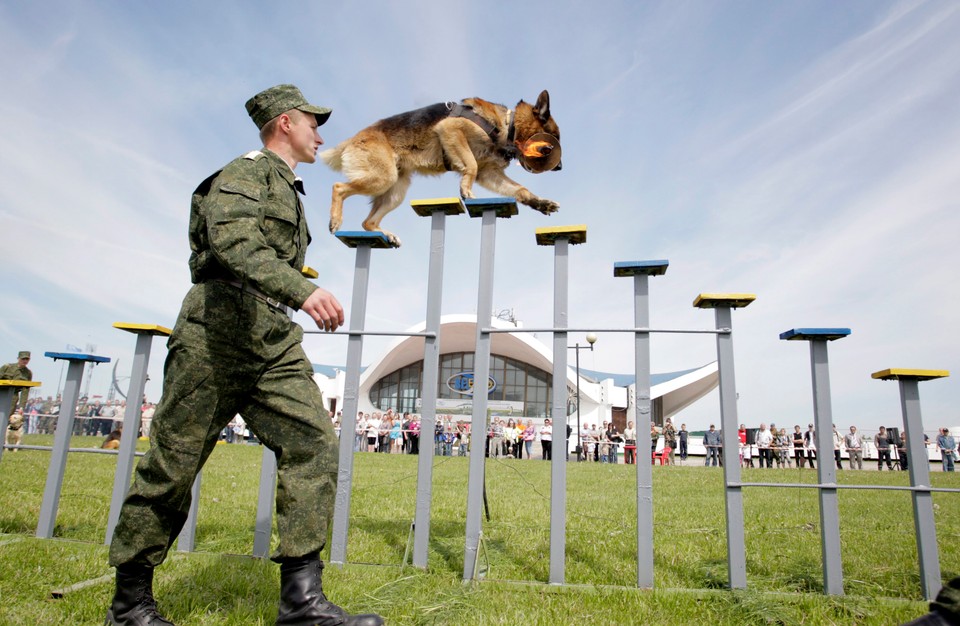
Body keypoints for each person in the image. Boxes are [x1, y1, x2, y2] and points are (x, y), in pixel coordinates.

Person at [105, 84, 382, 626]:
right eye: (311, 123)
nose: (319, 134)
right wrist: (303, 290)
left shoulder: (288, 187)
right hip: (216, 332)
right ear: (284, 123)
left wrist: (288, 297)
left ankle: (301, 603)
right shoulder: (244, 173)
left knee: (313, 443)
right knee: (172, 467)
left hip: (271, 336)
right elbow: (232, 242)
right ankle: (129, 604)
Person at [0, 351, 33, 415]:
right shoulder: (7, 367)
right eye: (23, 359)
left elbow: (25, 391)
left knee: (6, 416)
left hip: (13, 396)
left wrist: (21, 407)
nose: (25, 361)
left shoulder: (28, 373)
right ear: (18, 358)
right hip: (2, 392)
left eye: (27, 359)